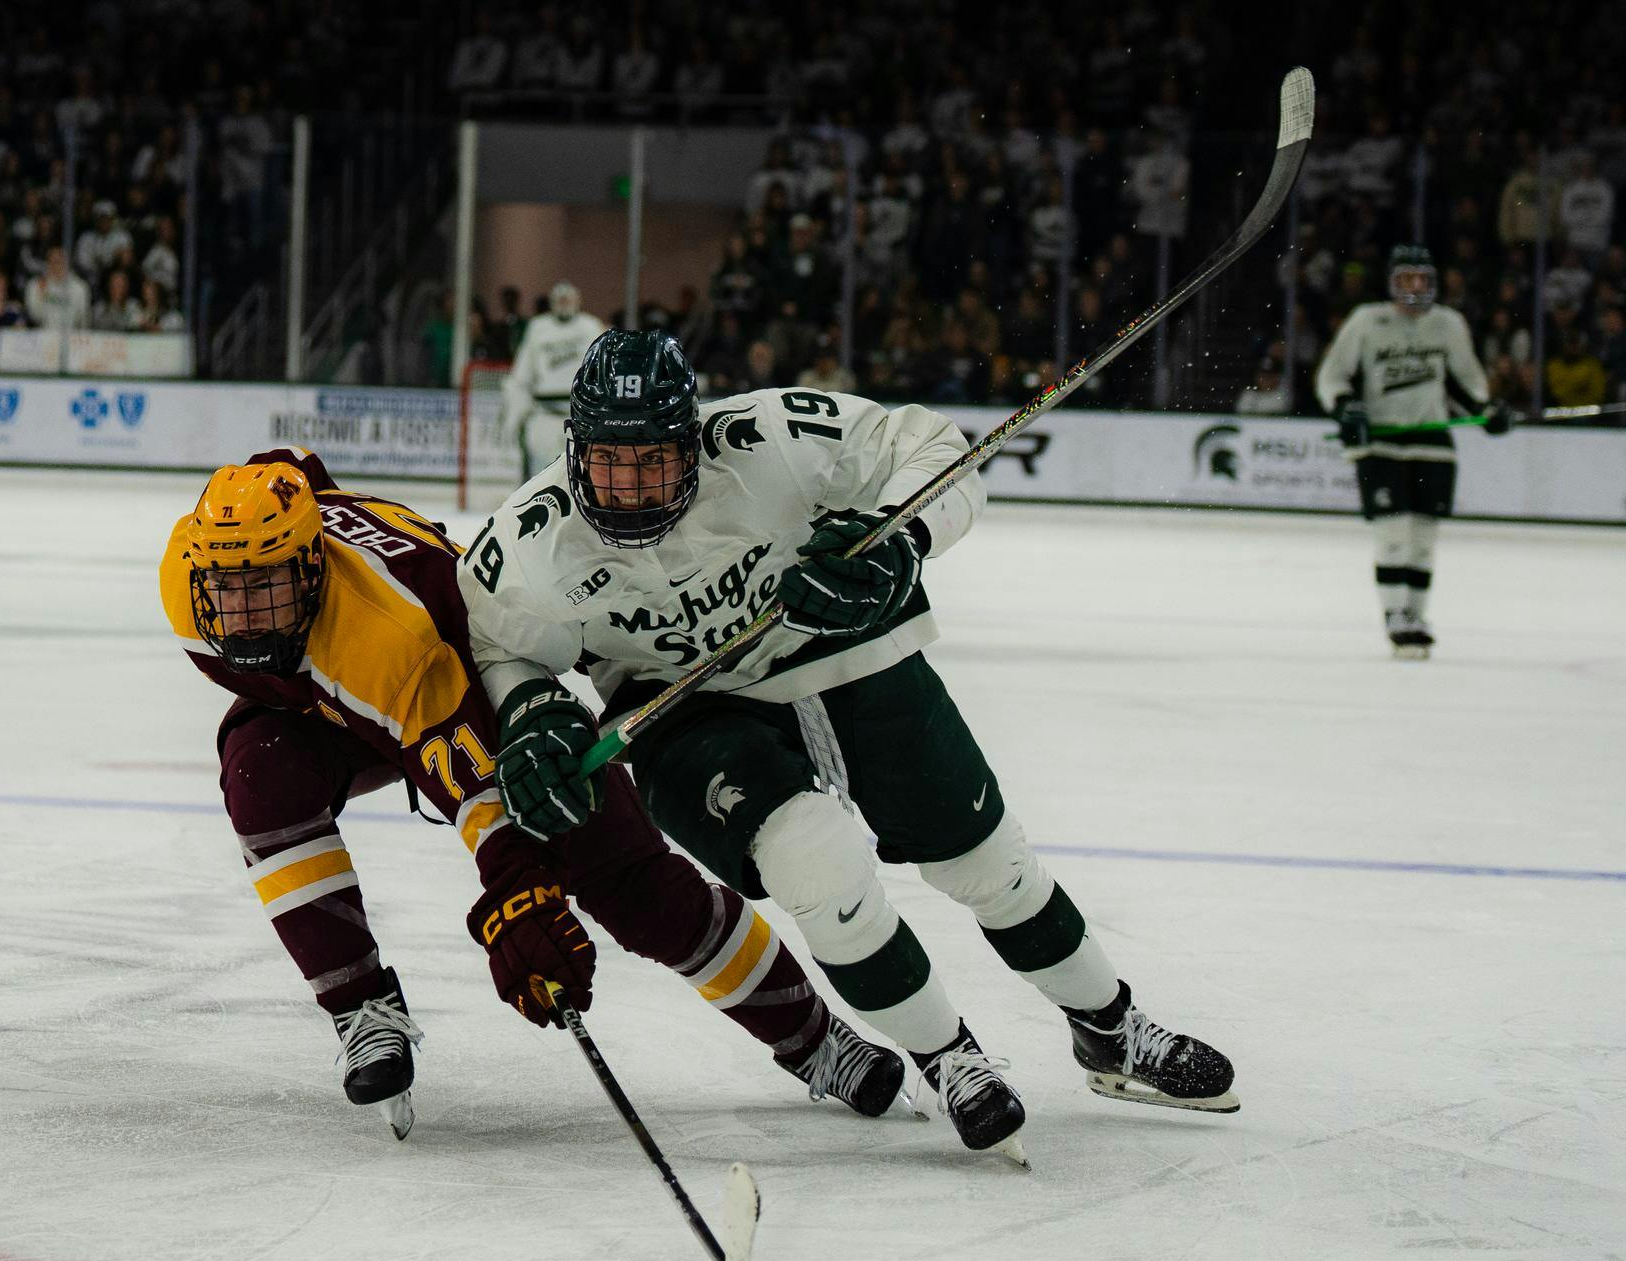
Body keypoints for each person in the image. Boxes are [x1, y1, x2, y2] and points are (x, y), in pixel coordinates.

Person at [457, 329, 1239, 1162]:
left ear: (695, 436)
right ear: (574, 450)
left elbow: (935, 449)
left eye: (654, 459)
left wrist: (898, 539)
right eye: (612, 462)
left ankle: (1110, 1026)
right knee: (817, 868)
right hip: (683, 707)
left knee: (986, 861)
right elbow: (501, 646)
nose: (633, 486)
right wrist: (532, 706)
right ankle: (949, 1058)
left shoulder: (769, 437)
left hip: (838, 641)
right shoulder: (529, 542)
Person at [159, 448, 907, 1139]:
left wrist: (522, 899)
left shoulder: (392, 639)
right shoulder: (185, 585)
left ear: (313, 567)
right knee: (261, 775)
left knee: (635, 886)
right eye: (228, 587)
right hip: (335, 704)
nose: (245, 613)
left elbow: (481, 790)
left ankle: (814, 1038)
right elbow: (293, 465)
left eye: (267, 584)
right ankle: (363, 1009)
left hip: (477, 686)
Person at [1317, 243, 1510, 659]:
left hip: (1432, 443)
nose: (1416, 286)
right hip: (1381, 442)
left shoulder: (1448, 324)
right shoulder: (1367, 320)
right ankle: (1395, 617)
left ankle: (1416, 616)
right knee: (1393, 531)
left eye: (1422, 278)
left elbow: (1466, 384)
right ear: (1392, 281)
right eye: (1407, 278)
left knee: (1423, 537)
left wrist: (1488, 412)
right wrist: (1346, 407)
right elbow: (1332, 377)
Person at [501, 281, 606, 477]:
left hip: (581, 416)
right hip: (544, 414)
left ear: (578, 301)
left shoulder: (591, 327)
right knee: (542, 474)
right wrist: (515, 415)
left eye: (568, 299)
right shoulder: (538, 327)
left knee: (582, 473)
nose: (564, 303)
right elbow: (522, 376)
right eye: (560, 300)